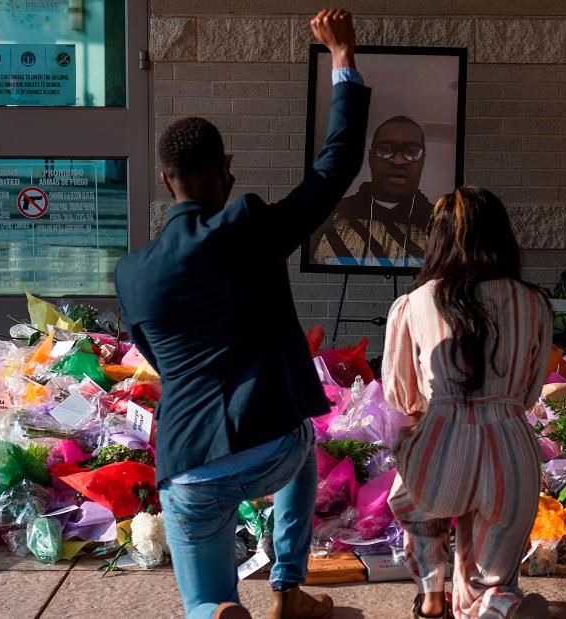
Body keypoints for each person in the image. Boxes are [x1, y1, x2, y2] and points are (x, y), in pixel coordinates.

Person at [112, 10, 370, 619]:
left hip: (187, 465)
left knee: (203, 600)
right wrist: (342, 59)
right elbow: (333, 171)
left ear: (166, 179)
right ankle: (287, 586)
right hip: (270, 447)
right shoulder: (247, 225)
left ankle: (219, 612)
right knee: (303, 441)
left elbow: (159, 360)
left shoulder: (131, 273)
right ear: (225, 171)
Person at [382, 187, 553, 619]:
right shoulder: (533, 303)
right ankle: (494, 604)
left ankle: (431, 593)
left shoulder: (413, 303)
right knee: (492, 572)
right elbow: (530, 392)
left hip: (438, 447)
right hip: (510, 450)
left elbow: (401, 395)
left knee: (417, 509)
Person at [310, 116, 433, 267]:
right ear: (371, 158)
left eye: (412, 151)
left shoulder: (441, 226)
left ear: (422, 162)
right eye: (385, 149)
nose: (398, 160)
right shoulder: (329, 216)